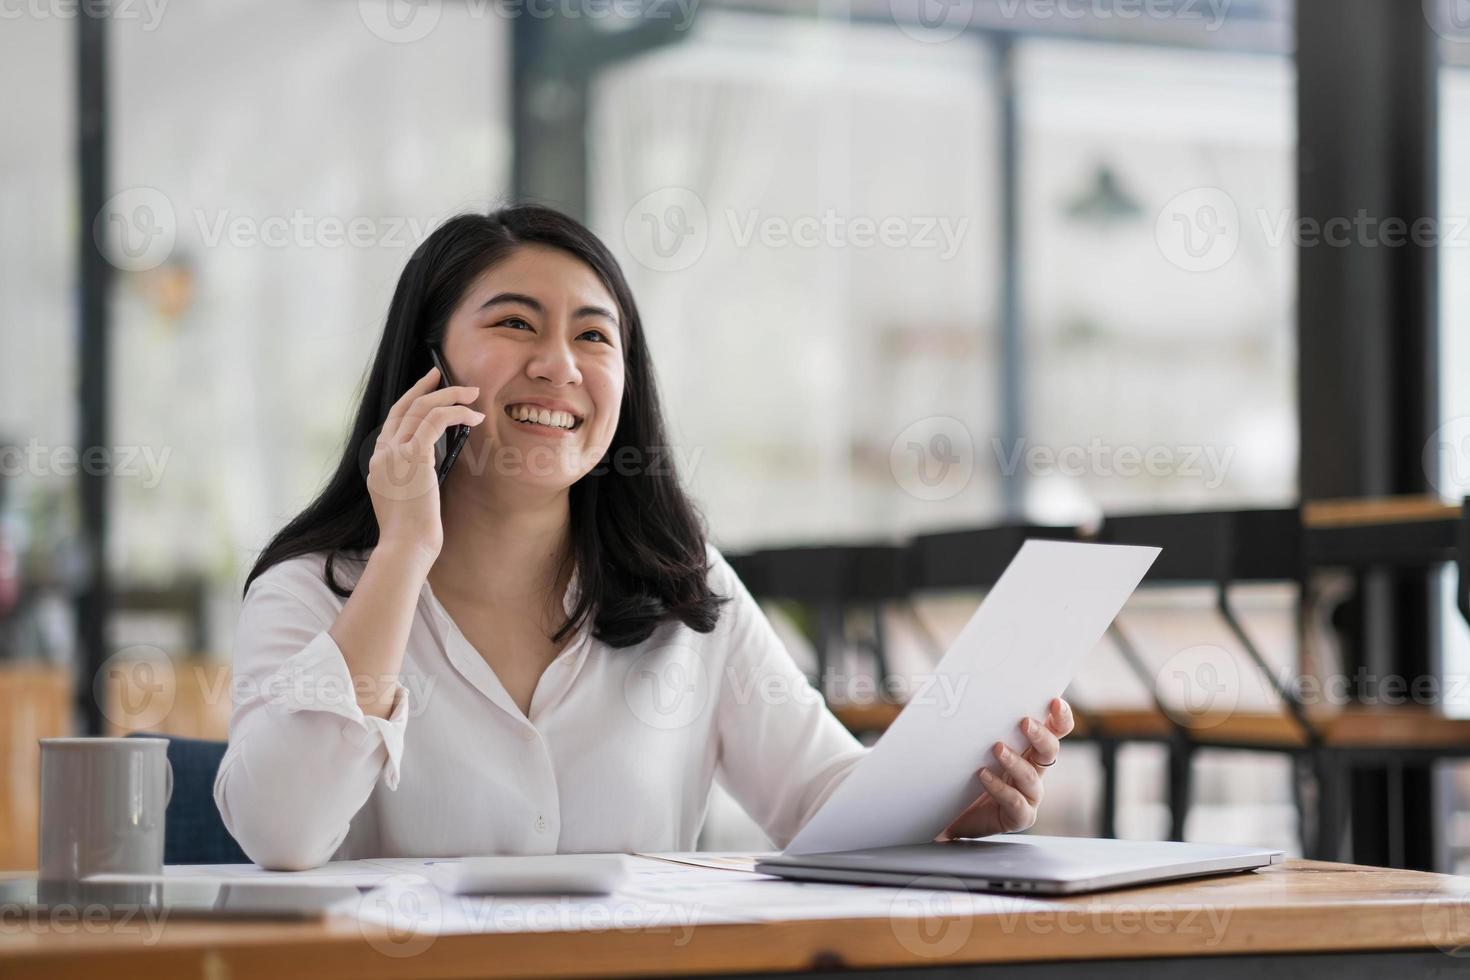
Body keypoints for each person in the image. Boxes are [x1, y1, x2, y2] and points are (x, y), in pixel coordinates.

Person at [213, 205, 1074, 870]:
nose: (560, 364)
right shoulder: (310, 590)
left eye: (594, 335)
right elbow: (281, 833)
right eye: (515, 323)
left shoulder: (684, 588)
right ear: (426, 361)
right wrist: (402, 552)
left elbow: (823, 802)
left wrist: (953, 809)